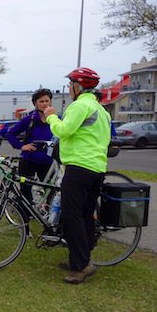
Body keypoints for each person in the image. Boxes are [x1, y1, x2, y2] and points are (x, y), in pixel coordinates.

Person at [44, 67, 111, 284]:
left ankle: (81, 266)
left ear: (77, 86)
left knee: (72, 215)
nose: (69, 88)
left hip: (79, 167)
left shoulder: (80, 105)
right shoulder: (102, 110)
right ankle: (80, 259)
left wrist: (51, 117)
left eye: (70, 85)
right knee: (84, 215)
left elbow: (63, 130)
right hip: (96, 168)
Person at [6, 88, 55, 206]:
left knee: (50, 191)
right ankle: (25, 215)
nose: (44, 104)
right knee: (26, 191)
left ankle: (48, 215)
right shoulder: (29, 119)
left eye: (47, 101)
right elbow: (10, 133)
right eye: (41, 101)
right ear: (35, 104)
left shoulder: (55, 119)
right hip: (29, 160)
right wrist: (21, 146)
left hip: (48, 161)